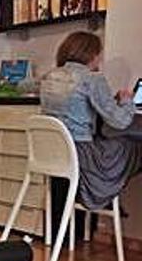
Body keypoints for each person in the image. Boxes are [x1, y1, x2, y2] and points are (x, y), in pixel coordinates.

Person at [40, 31, 142, 228]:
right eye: (99, 54)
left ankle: (110, 192)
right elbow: (119, 121)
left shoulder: (49, 76)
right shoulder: (93, 79)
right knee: (134, 147)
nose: (99, 59)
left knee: (115, 143)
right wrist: (127, 101)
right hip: (81, 155)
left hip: (55, 154)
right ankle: (110, 193)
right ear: (91, 54)